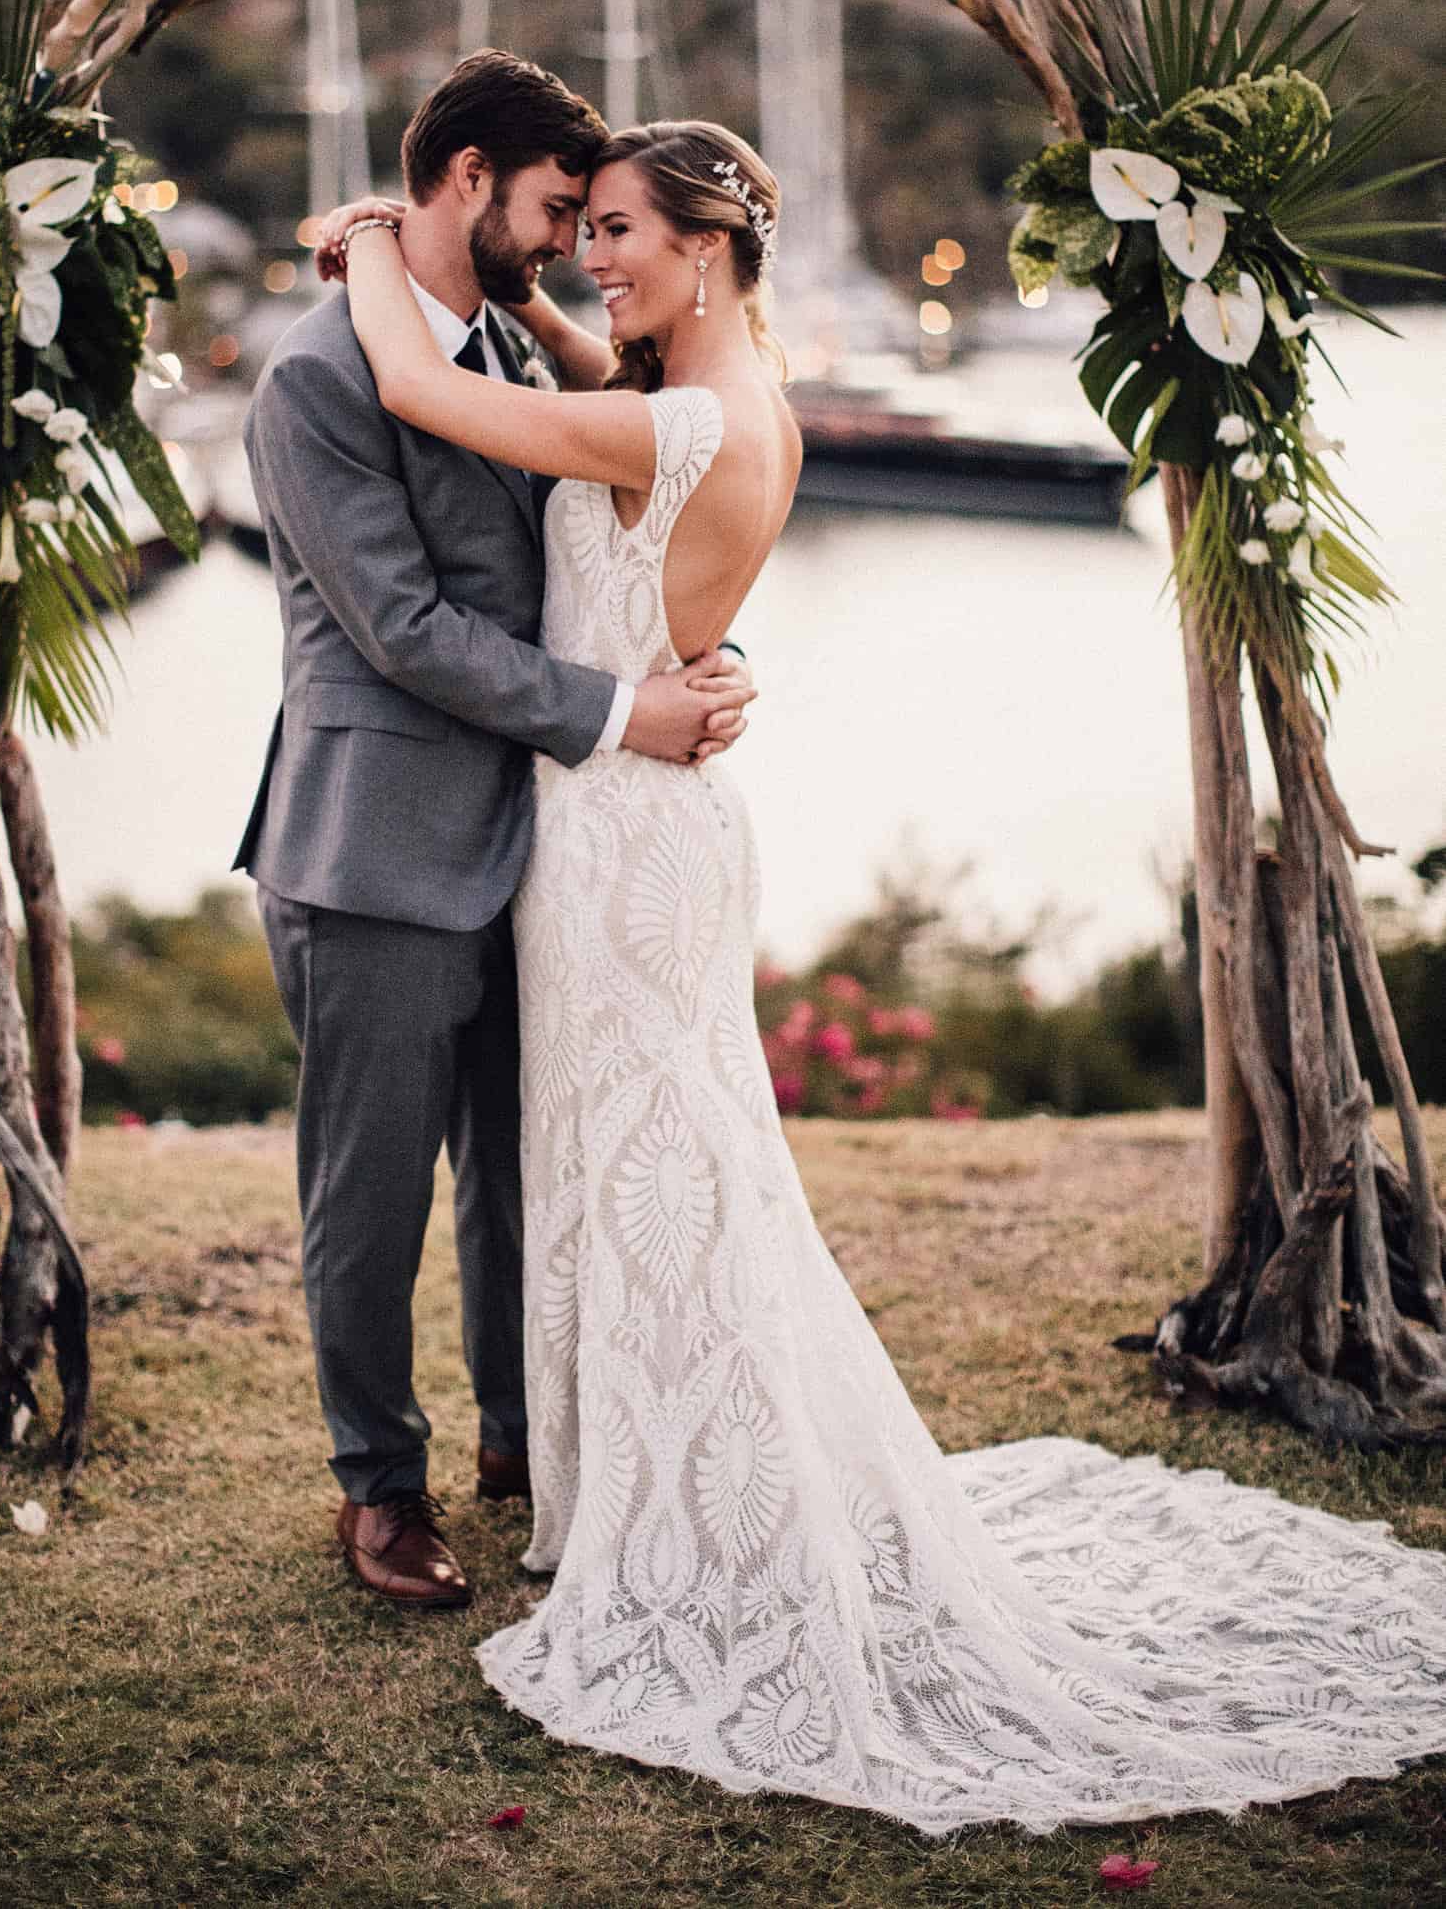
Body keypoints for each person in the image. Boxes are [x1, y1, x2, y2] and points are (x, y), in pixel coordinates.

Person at [326, 116, 1446, 1833]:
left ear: (704, 246)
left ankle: (685, 1506)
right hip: (638, 830)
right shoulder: (722, 398)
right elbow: (599, 415)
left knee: (654, 1171)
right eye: (584, 232)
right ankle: (647, 1478)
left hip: (623, 843)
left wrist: (377, 247)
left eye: (618, 233)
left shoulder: (667, 416)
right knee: (660, 1165)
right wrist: (552, 314)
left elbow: (427, 395)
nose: (586, 262)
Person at [234, 52, 757, 1615]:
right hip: (374, 849)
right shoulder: (318, 380)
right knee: (372, 1195)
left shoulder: (510, 367)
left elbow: (610, 553)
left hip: (538, 848)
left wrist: (704, 663)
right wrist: (623, 715)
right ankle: (377, 1489)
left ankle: (524, 1439)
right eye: (549, 211)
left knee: (519, 1176)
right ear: (465, 177)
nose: (568, 249)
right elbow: (401, 626)